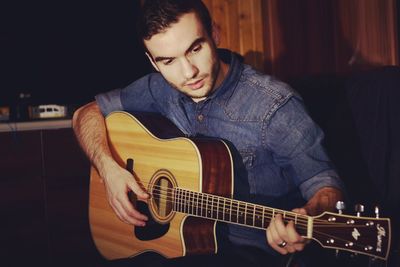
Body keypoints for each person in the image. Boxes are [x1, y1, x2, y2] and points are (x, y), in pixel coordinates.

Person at [72, 0, 345, 266]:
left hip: (254, 253)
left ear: (215, 34)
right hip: (177, 248)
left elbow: (325, 186)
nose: (188, 72)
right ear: (153, 63)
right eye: (168, 61)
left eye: (195, 48)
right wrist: (109, 169)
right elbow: (85, 114)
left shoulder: (275, 106)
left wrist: (307, 215)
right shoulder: (158, 89)